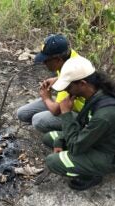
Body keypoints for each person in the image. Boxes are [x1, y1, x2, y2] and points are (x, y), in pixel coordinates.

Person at [43, 55, 115, 190]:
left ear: (82, 83)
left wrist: (66, 114)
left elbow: (76, 146)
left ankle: (92, 174)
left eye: (68, 87)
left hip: (108, 154)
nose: (65, 90)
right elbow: (83, 124)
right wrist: (59, 141)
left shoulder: (105, 113)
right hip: (96, 138)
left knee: (52, 162)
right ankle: (85, 162)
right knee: (51, 138)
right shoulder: (95, 93)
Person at [17, 34, 85, 133]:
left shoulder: (70, 72)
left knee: (38, 120)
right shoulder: (69, 56)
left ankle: (74, 137)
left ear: (58, 60)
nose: (44, 63)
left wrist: (46, 97)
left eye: (46, 60)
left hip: (83, 114)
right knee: (22, 113)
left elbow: (56, 110)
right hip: (70, 104)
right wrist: (56, 79)